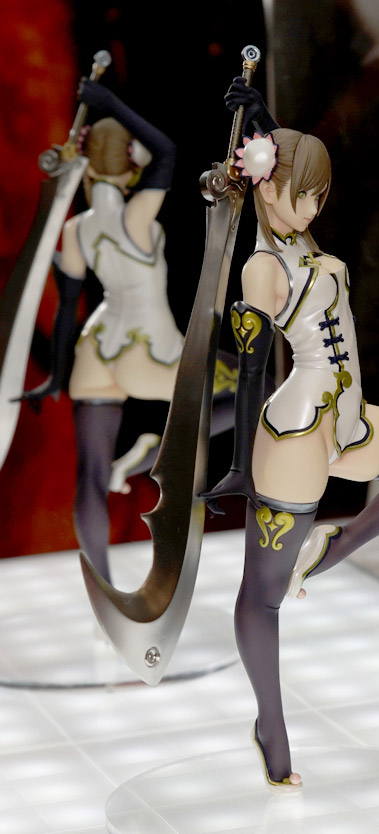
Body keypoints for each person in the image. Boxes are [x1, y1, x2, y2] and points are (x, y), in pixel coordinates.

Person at [203, 81, 379, 792]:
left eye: (319, 196)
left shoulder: (299, 236)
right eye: (304, 196)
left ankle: (340, 542)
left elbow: (278, 158)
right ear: (269, 191)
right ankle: (271, 727)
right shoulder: (262, 266)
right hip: (297, 433)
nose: (314, 207)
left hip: (351, 418)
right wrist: (237, 465)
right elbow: (253, 371)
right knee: (262, 595)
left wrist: (255, 107)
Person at [19, 79, 184, 583]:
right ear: (131, 164)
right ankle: (150, 454)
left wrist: (57, 376)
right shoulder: (138, 215)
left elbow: (68, 309)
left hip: (95, 350)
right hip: (149, 348)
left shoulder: (77, 229)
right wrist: (109, 103)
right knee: (246, 393)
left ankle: (102, 587)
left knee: (89, 477)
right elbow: (167, 151)